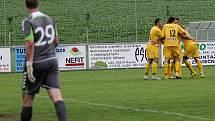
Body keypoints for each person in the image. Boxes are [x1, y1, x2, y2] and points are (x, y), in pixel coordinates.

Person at [21, 0, 67, 121]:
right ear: (38, 3)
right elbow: (56, 41)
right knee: (57, 96)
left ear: (25, 4)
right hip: (52, 61)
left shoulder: (28, 21)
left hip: (37, 62)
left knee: (28, 99)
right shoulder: (50, 19)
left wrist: (29, 64)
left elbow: (29, 44)